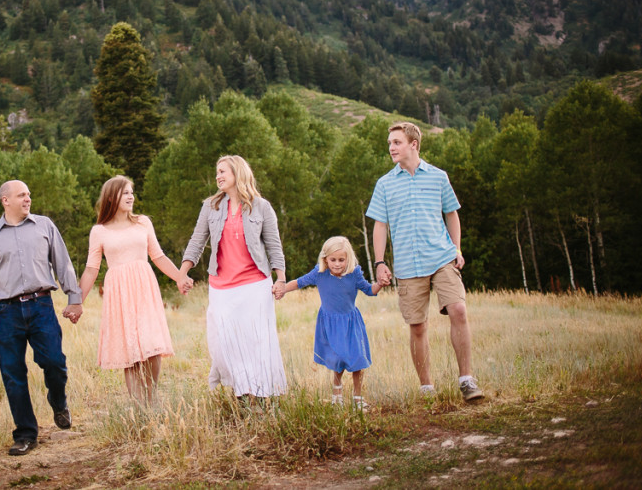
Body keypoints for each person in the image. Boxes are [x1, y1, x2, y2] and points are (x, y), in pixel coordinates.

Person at [366, 121, 484, 402]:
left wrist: (457, 248)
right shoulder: (384, 184)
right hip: (407, 265)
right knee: (417, 326)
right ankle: (427, 388)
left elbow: (451, 214)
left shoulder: (438, 177)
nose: (391, 147)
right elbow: (379, 226)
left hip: (441, 257)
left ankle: (467, 380)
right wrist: (380, 262)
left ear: (413, 144)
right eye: (390, 143)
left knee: (458, 310)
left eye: (396, 142)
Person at [0, 179, 84, 456]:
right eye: (21, 195)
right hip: (7, 313)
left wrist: (75, 297)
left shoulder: (44, 226)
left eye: (29, 195)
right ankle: (25, 434)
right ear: (5, 200)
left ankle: (58, 402)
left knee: (55, 362)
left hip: (41, 306)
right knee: (13, 374)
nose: (27, 199)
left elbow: (63, 262)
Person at [78, 175, 194, 403]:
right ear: (112, 197)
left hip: (144, 287)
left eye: (132, 192)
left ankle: (152, 399)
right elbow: (91, 269)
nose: (131, 196)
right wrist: (77, 301)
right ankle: (138, 408)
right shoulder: (99, 231)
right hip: (119, 292)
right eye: (125, 192)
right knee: (129, 349)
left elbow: (158, 256)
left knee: (151, 344)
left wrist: (180, 277)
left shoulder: (143, 222)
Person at [179, 155, 288, 398]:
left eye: (222, 172)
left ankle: (257, 396)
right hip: (221, 287)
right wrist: (182, 272)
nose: (218, 176)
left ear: (238, 173)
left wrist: (280, 278)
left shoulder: (262, 206)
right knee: (224, 343)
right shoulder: (211, 206)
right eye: (217, 172)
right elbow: (197, 241)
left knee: (256, 342)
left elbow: (274, 246)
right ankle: (241, 389)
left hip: (255, 285)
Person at [274, 236, 387, 411]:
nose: (337, 264)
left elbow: (370, 291)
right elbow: (299, 282)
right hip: (330, 324)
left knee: (358, 359)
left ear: (348, 258)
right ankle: (337, 393)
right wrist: (282, 288)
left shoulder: (354, 273)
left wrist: (379, 284)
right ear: (325, 258)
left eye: (341, 260)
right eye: (333, 260)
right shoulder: (320, 273)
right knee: (337, 359)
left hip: (351, 323)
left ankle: (358, 397)